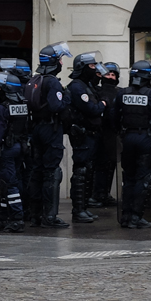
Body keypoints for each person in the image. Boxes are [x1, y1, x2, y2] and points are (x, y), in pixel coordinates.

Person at [113, 60, 151, 229]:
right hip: (145, 138)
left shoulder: (122, 94)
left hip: (127, 139)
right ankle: (136, 217)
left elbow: (114, 119)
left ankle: (125, 215)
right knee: (143, 178)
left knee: (129, 177)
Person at [26, 42, 72, 228]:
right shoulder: (52, 81)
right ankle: (50, 217)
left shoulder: (35, 79)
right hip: (50, 130)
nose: (62, 62)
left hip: (36, 128)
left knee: (37, 172)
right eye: (60, 59)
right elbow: (56, 106)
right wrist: (66, 97)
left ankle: (35, 215)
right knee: (52, 172)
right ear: (55, 62)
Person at [0, 60, 32, 232]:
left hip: (6, 149)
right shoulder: (22, 105)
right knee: (10, 183)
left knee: (10, 183)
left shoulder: (2, 108)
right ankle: (3, 217)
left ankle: (17, 218)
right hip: (20, 148)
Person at [67, 51, 108, 224]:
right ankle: (78, 210)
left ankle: (84, 208)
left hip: (92, 134)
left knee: (88, 170)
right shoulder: (77, 87)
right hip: (82, 134)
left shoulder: (87, 85)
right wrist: (102, 105)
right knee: (81, 171)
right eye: (91, 66)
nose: (95, 69)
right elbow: (92, 109)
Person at [91, 62, 122, 207]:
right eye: (108, 74)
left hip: (113, 134)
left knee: (110, 165)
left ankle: (105, 193)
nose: (110, 77)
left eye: (113, 74)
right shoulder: (96, 91)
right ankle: (97, 194)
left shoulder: (120, 92)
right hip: (99, 133)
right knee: (100, 166)